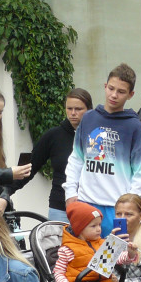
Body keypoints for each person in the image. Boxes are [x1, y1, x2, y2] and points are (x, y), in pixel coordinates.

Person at [64, 63, 141, 236]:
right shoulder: (88, 118)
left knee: (115, 260)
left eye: (121, 91)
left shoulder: (134, 126)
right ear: (105, 87)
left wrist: (128, 207)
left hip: (117, 209)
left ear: (130, 94)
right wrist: (70, 193)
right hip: (85, 203)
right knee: (84, 259)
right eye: (111, 88)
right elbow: (76, 159)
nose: (114, 95)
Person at [25, 88, 92, 222]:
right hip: (60, 208)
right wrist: (5, 193)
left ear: (89, 109)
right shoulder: (54, 136)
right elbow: (30, 167)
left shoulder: (98, 136)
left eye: (78, 109)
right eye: (69, 108)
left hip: (92, 207)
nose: (73, 113)